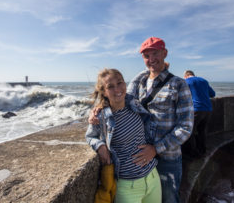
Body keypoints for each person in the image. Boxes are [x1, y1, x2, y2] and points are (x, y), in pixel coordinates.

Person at [125, 36, 194, 203]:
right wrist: (99, 108)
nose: (151, 59)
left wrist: (156, 149)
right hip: (140, 156)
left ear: (165, 53)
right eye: (146, 56)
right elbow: (122, 103)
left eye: (155, 53)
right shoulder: (139, 83)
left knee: (169, 199)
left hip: (167, 159)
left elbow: (186, 126)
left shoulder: (178, 84)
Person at [86, 68, 162, 203]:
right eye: (110, 86)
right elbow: (90, 136)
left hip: (152, 177)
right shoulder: (101, 116)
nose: (117, 89)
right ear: (104, 91)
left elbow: (146, 73)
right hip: (127, 186)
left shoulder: (134, 103)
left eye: (120, 83)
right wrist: (100, 146)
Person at [182, 70, 215, 157]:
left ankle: (193, 153)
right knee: (202, 131)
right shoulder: (204, 80)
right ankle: (202, 150)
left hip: (196, 109)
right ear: (194, 75)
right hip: (208, 109)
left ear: (186, 76)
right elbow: (212, 94)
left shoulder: (186, 81)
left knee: (190, 131)